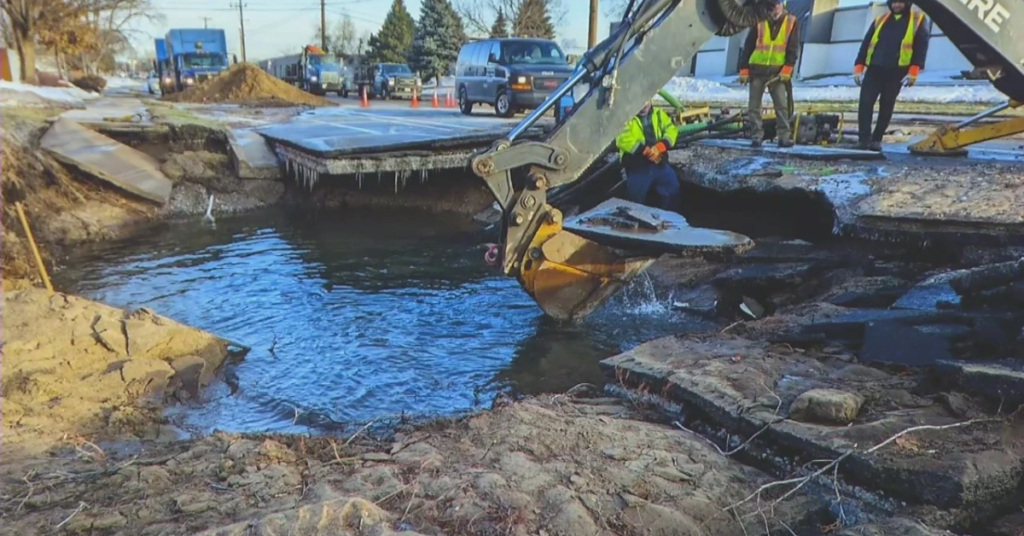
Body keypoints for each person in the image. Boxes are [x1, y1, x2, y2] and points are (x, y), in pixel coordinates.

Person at [853, 0, 929, 151]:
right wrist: (859, 66)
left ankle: (876, 140)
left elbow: (921, 47)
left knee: (886, 106)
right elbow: (866, 44)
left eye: (900, 2)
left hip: (897, 71)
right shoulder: (880, 19)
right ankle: (863, 140)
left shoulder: (917, 19)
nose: (897, 5)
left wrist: (913, 71)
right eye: (894, 3)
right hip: (874, 69)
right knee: (865, 104)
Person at [738, 0, 800, 148]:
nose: (775, 6)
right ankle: (756, 137)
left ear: (783, 4)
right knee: (754, 107)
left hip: (777, 73)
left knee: (781, 106)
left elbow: (793, 48)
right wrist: (744, 70)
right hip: (757, 71)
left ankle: (784, 137)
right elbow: (748, 46)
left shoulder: (791, 22)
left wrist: (787, 70)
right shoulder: (759, 20)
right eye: (772, 3)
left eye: (778, 2)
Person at [615, 100, 681, 211]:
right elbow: (622, 139)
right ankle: (637, 223)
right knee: (636, 202)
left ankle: (668, 221)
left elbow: (672, 130)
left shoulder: (659, 114)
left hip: (658, 163)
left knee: (673, 188)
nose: (644, 105)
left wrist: (661, 146)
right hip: (637, 167)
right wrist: (645, 150)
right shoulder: (626, 119)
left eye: (646, 101)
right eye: (641, 102)